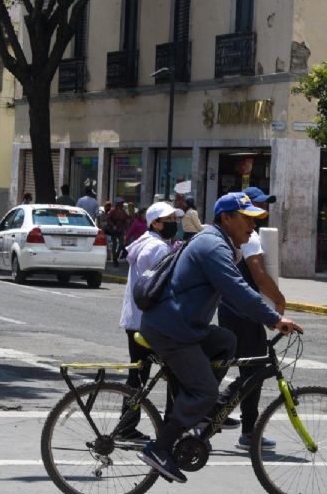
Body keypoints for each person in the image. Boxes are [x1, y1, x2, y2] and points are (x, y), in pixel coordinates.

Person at [135, 192, 302, 483]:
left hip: (185, 326)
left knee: (225, 341)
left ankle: (202, 411)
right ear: (226, 218)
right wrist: (274, 319)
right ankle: (160, 448)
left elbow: (233, 294)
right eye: (247, 219)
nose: (252, 226)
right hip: (171, 330)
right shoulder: (213, 246)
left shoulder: (218, 242)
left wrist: (259, 313)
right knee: (204, 391)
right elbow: (236, 288)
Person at [218, 186, 287, 451]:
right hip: (245, 312)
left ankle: (223, 421)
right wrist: (279, 300)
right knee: (254, 371)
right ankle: (230, 421)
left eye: (265, 204)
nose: (263, 210)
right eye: (257, 205)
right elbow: (258, 275)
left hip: (232, 309)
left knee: (240, 368)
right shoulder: (250, 237)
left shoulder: (242, 236)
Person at [118, 201, 183, 439]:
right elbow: (165, 284)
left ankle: (126, 426)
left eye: (175, 220)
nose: (174, 224)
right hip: (150, 322)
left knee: (138, 375)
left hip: (135, 320)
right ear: (155, 223)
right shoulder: (157, 248)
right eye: (169, 220)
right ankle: (171, 429)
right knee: (176, 371)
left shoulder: (145, 243)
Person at [108, 198, 130, 266]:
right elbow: (109, 220)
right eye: (120, 203)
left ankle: (116, 257)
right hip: (114, 229)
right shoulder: (113, 211)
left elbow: (126, 219)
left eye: (122, 203)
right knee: (114, 244)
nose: (122, 204)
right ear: (117, 204)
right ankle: (114, 260)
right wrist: (113, 226)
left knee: (121, 244)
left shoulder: (123, 211)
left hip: (121, 229)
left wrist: (126, 226)